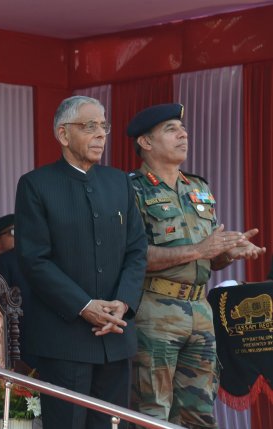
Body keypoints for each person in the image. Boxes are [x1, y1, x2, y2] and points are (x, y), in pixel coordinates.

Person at [127, 103, 266, 428]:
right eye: (171, 129)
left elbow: (209, 257)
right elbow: (134, 256)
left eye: (183, 128)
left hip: (200, 311)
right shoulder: (130, 189)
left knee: (199, 414)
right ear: (145, 143)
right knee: (153, 413)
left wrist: (228, 251)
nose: (183, 134)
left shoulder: (198, 188)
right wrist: (200, 248)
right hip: (156, 312)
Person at [15, 95, 148, 429]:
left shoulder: (118, 182)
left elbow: (136, 249)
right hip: (65, 338)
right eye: (90, 126)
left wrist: (124, 303)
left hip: (115, 335)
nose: (101, 134)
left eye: (104, 125)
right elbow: (35, 260)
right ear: (63, 134)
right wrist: (83, 304)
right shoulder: (36, 185)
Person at [0, 214, 35, 368]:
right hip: (23, 341)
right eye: (13, 232)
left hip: (24, 341)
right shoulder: (3, 261)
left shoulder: (34, 256)